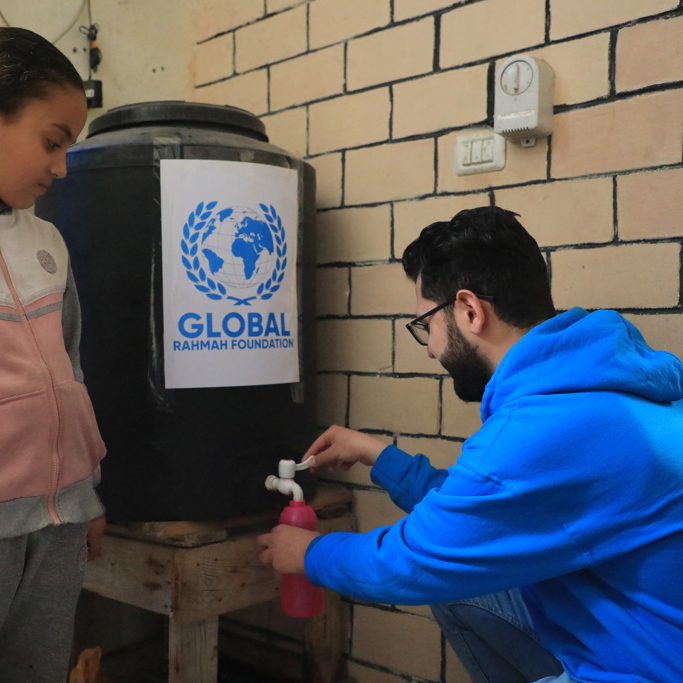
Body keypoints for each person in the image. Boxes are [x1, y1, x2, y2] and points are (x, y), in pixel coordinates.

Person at [258, 206, 683, 683]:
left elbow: (416, 559)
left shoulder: (542, 427)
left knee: (445, 577)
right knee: (462, 585)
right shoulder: (605, 383)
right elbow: (489, 509)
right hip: (635, 632)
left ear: (469, 310)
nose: (430, 347)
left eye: (426, 325)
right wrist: (376, 455)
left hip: (649, 668)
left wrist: (309, 554)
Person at [0, 27, 106, 682]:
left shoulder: (49, 242)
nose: (61, 166)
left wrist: (87, 496)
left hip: (61, 518)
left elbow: (72, 372)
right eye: (52, 141)